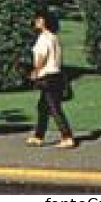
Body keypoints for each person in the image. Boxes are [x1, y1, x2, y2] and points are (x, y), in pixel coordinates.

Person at [28, 11, 77, 149]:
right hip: (56, 75)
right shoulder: (54, 37)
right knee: (43, 107)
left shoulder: (44, 38)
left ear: (45, 22)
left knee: (54, 108)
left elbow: (42, 56)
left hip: (47, 76)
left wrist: (35, 71)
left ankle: (67, 137)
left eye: (39, 19)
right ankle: (38, 136)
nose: (36, 21)